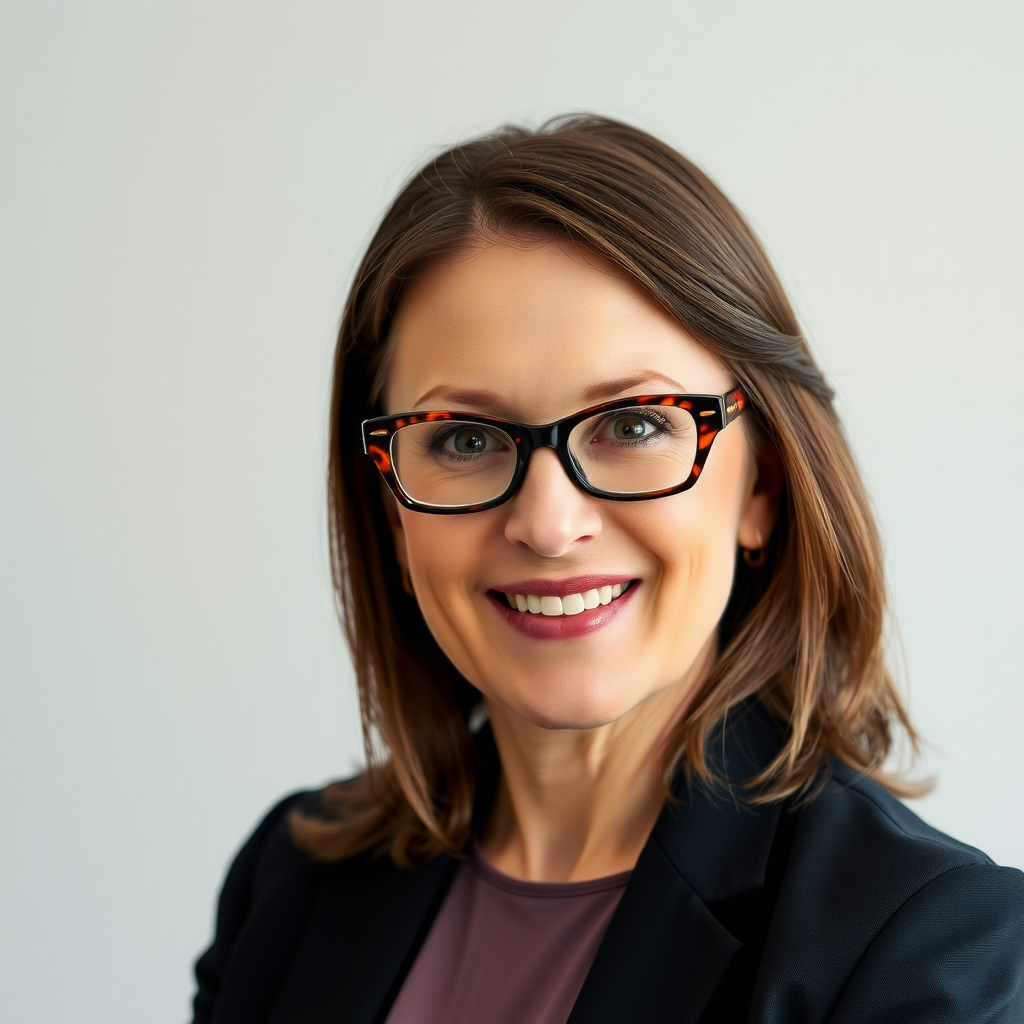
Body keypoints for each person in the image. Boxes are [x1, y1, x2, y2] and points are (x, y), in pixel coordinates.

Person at [192, 115, 1024, 1024]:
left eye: (633, 425)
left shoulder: (923, 947)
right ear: (390, 507)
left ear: (764, 486)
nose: (548, 525)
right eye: (464, 438)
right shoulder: (293, 879)